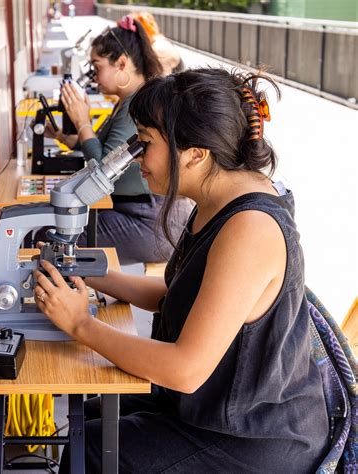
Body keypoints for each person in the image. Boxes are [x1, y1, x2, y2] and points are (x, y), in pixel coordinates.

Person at [33, 68, 330, 472]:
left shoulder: (250, 228)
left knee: (92, 451)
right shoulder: (217, 198)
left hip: (251, 436)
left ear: (196, 153)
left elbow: (185, 369)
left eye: (146, 143)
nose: (136, 156)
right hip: (211, 405)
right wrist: (88, 274)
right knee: (89, 418)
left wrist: (79, 324)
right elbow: (179, 297)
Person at [44, 15, 192, 264]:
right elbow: (105, 149)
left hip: (151, 223)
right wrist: (63, 136)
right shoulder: (132, 100)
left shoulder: (136, 104)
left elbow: (102, 172)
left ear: (121, 63)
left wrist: (82, 122)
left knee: (50, 239)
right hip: (144, 214)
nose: (93, 76)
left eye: (97, 66)